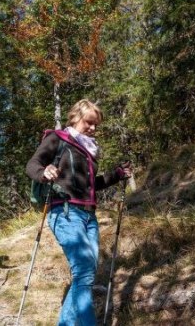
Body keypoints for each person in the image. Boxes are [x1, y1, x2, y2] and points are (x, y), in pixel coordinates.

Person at [26, 99, 131, 325]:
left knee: (87, 272)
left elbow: (93, 185)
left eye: (96, 125)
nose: (93, 129)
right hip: (64, 213)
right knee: (83, 270)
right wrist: (45, 171)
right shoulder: (58, 139)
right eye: (89, 123)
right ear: (75, 118)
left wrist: (117, 174)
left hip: (89, 217)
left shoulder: (90, 152)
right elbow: (32, 164)